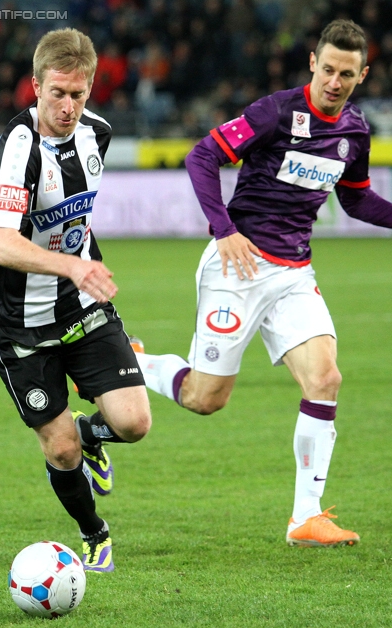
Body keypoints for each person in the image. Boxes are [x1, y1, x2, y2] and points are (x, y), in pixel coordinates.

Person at [132, 19, 392, 547]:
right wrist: (223, 230)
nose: (334, 82)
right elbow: (202, 155)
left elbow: (357, 198)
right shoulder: (276, 112)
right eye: (327, 70)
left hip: (295, 274)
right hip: (240, 266)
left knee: (325, 380)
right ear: (312, 64)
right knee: (206, 399)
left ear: (362, 74)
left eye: (347, 73)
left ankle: (305, 517)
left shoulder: (354, 132)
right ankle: (136, 362)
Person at [0, 28, 151, 572]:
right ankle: (94, 531)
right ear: (34, 87)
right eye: (57, 93)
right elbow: (2, 244)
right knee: (59, 451)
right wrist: (73, 263)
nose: (68, 107)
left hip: (79, 305)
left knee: (134, 424)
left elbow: (74, 218)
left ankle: (88, 429)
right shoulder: (19, 148)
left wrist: (83, 265)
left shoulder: (96, 134)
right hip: (18, 322)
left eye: (78, 95)